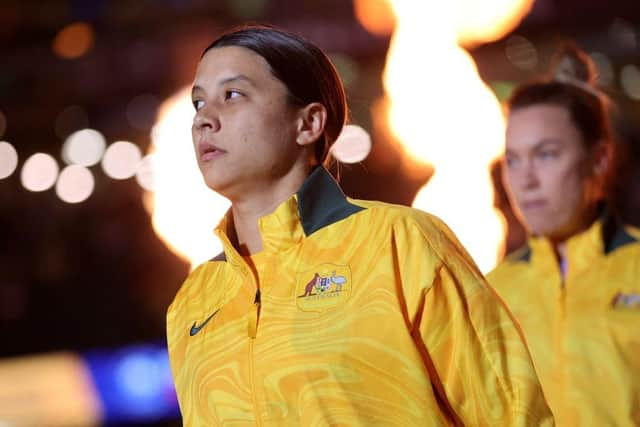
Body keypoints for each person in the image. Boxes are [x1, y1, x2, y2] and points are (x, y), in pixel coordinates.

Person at [166, 25, 553, 426]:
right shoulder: (194, 301)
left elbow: (512, 414)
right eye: (198, 103)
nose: (203, 121)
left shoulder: (402, 243)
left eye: (232, 95)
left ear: (309, 123)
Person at [488, 45, 640, 426]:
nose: (525, 180)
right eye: (513, 159)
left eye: (546, 154)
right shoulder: (493, 292)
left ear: (599, 158)